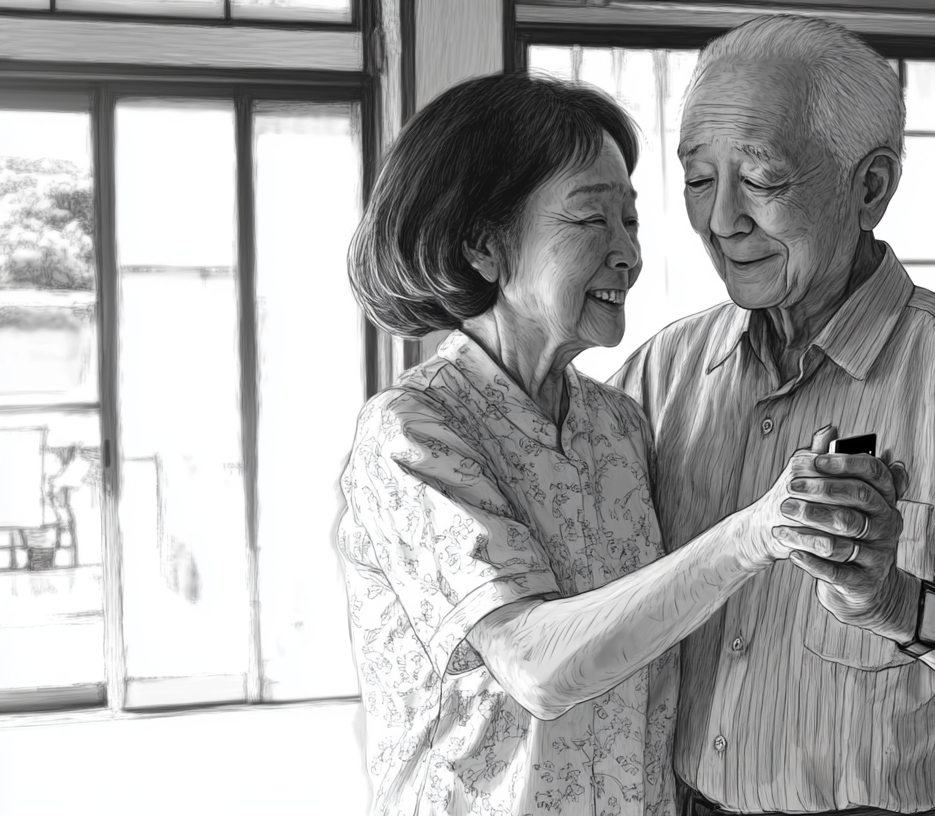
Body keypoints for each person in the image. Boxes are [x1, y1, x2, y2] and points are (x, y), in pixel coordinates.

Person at [608, 15, 935, 816]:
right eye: (696, 178)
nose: (721, 221)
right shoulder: (660, 373)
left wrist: (897, 603)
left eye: (761, 178)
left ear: (871, 188)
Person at [335, 71, 900, 816]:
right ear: (483, 246)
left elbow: (669, 632)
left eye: (629, 221)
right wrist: (753, 533)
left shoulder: (619, 424)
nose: (627, 253)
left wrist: (838, 525)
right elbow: (536, 666)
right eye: (589, 221)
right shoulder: (411, 434)